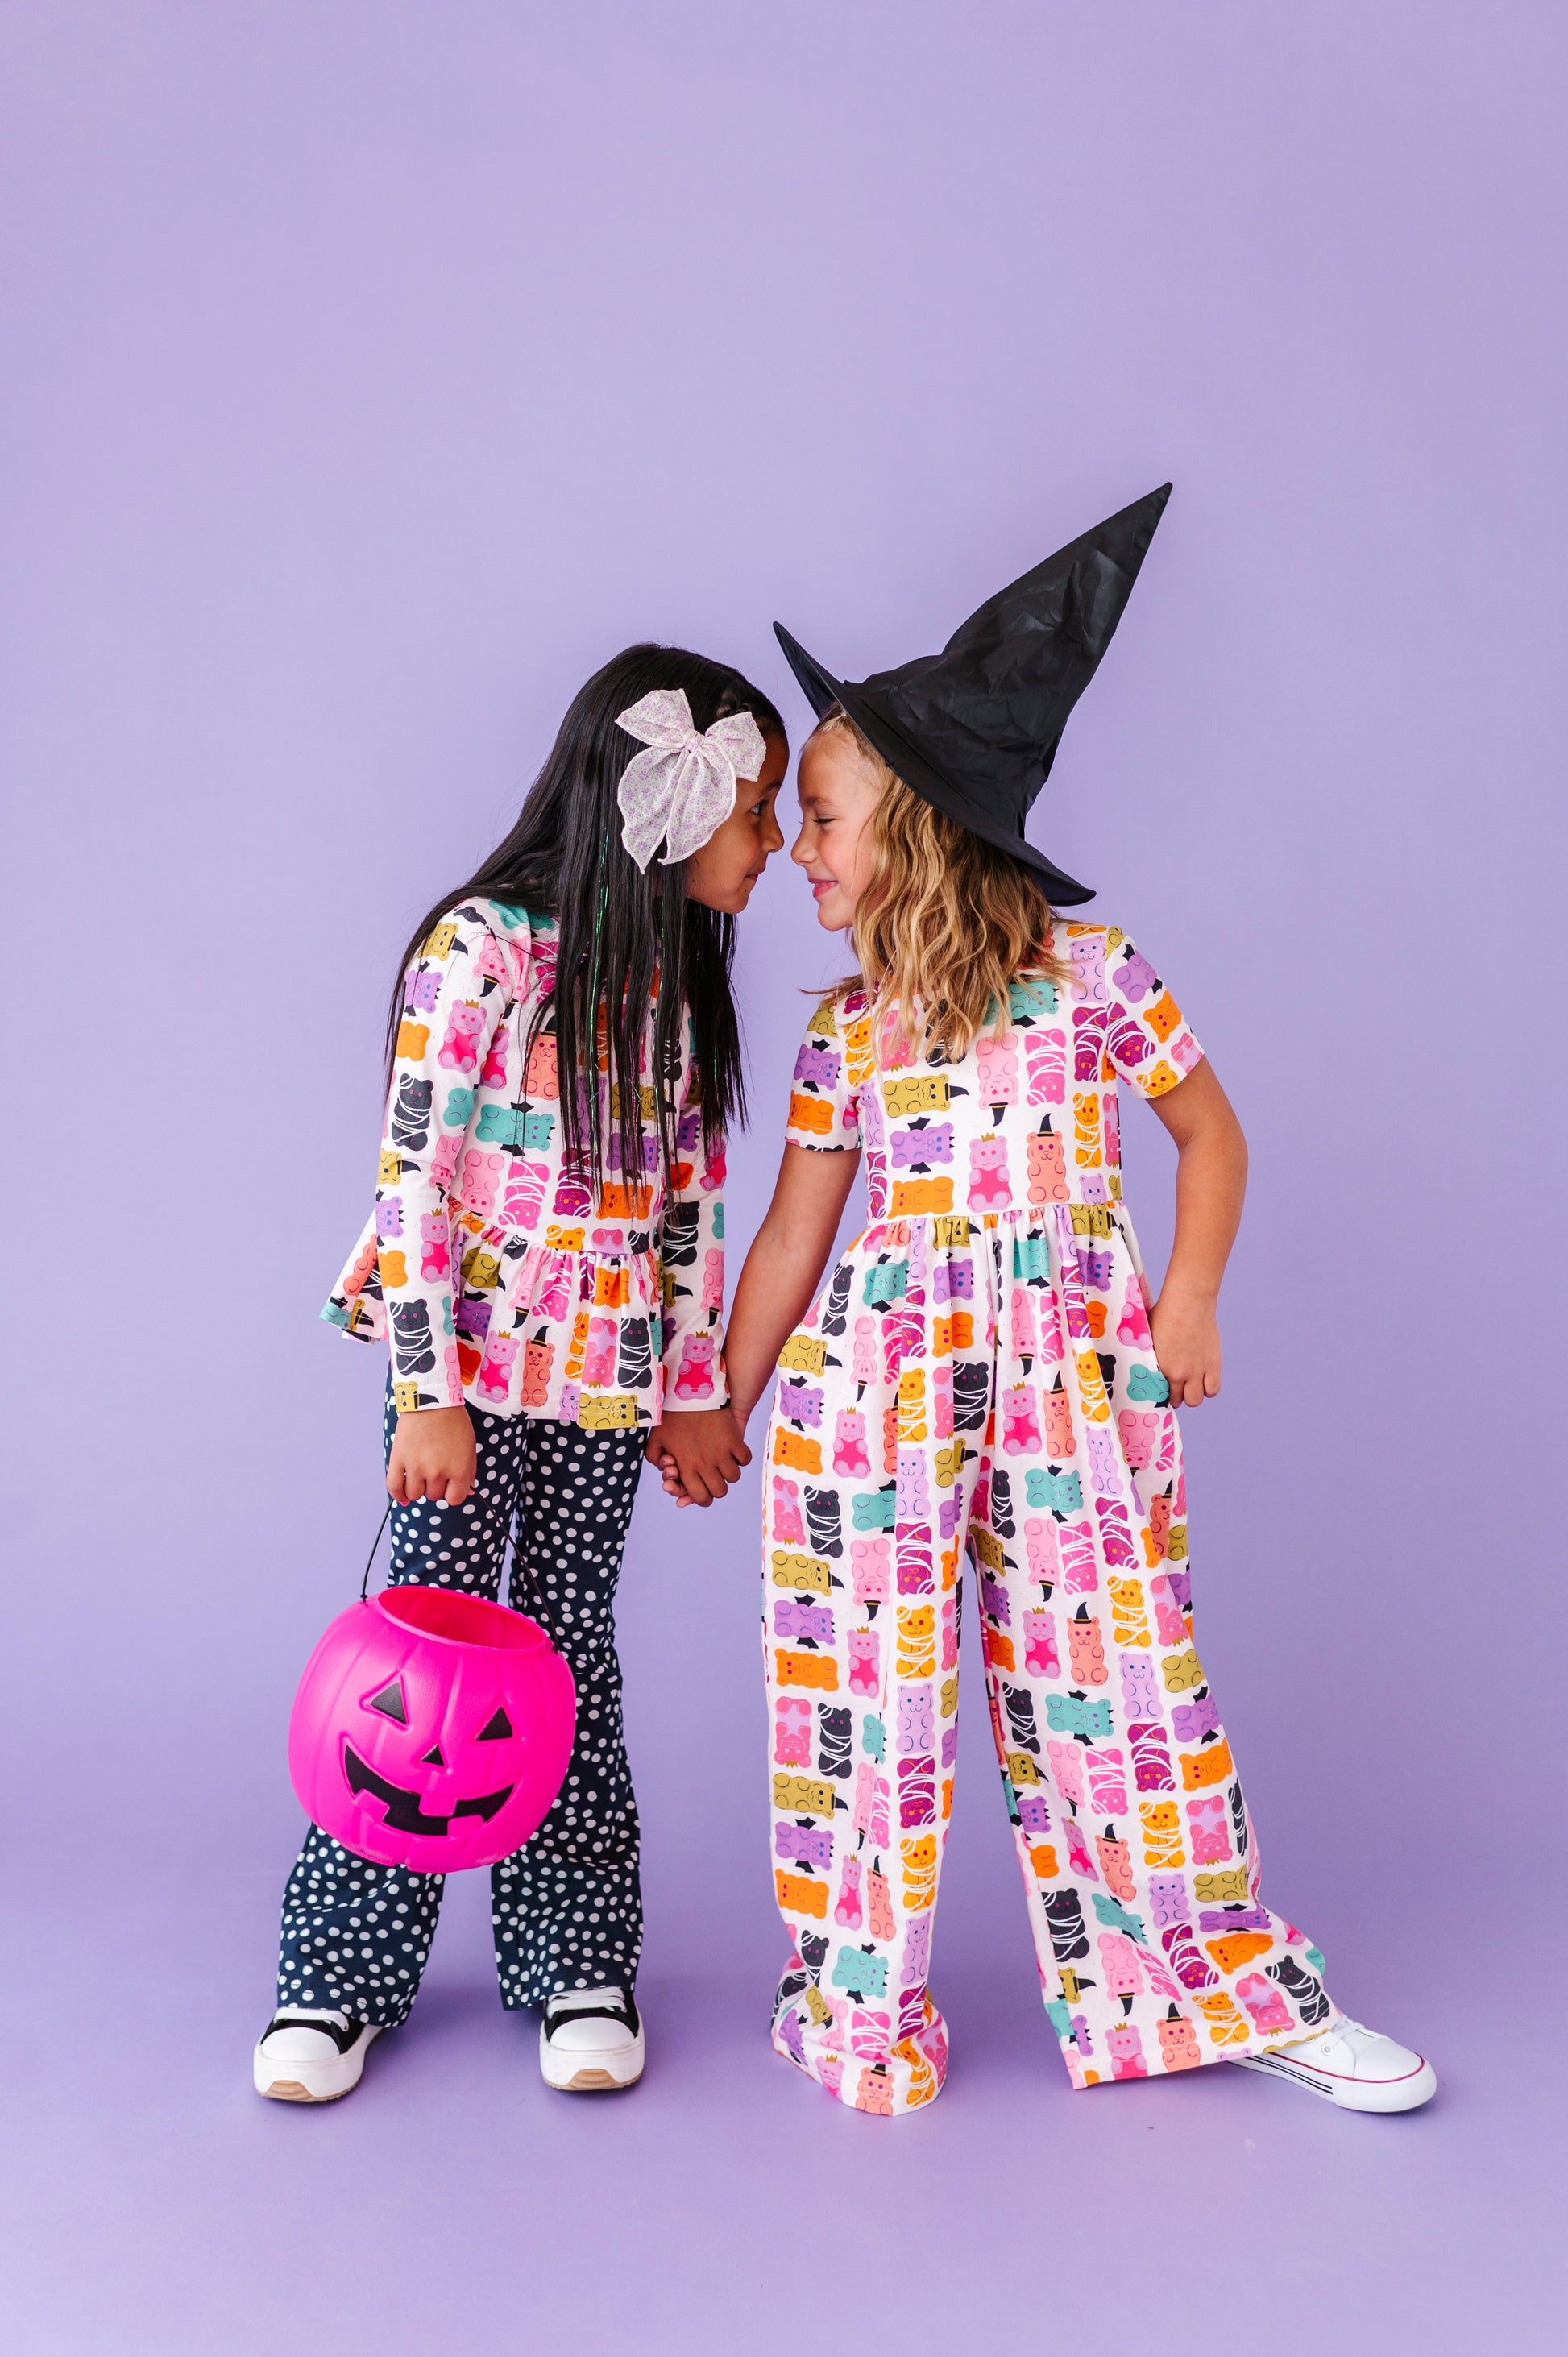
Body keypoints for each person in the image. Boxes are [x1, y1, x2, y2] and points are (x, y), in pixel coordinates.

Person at [662, 489, 1436, 2117]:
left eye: (822, 819)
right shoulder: (844, 1033)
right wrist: (719, 1395)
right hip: (875, 1395)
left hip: (1076, 1380)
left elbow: (1210, 1134)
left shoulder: (1095, 977)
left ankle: (1205, 1982)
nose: (796, 847)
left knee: (1122, 1680)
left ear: (921, 827)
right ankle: (857, 2009)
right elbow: (793, 1238)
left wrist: (1188, 1297)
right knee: (863, 1698)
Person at [255, 645, 779, 2103]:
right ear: (673, 800)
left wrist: (691, 1389)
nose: (772, 845)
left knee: (563, 1663)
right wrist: (427, 1389)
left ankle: (576, 1964)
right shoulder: (479, 949)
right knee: (416, 1677)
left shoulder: (678, 986)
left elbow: (687, 1210)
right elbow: (414, 1178)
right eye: (754, 812)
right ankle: (336, 1979)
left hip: (602, 1388)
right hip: (466, 1386)